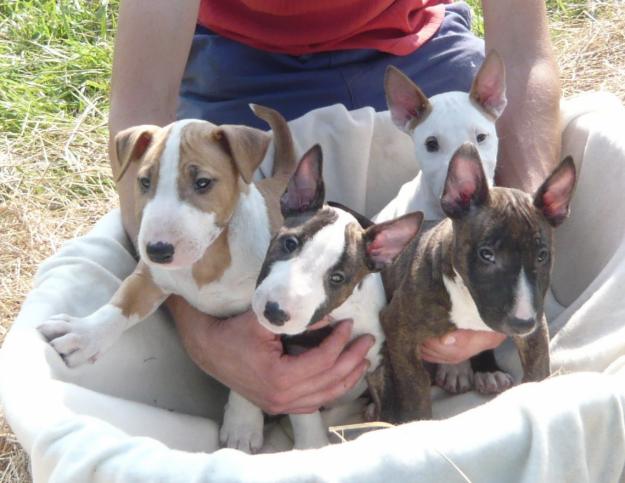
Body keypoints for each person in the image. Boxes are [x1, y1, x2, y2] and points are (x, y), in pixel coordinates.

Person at [107, 0, 560, 419]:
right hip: (245, 75)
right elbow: (143, 105)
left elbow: (522, 54)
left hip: (418, 52)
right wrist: (207, 339)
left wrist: (516, 234)